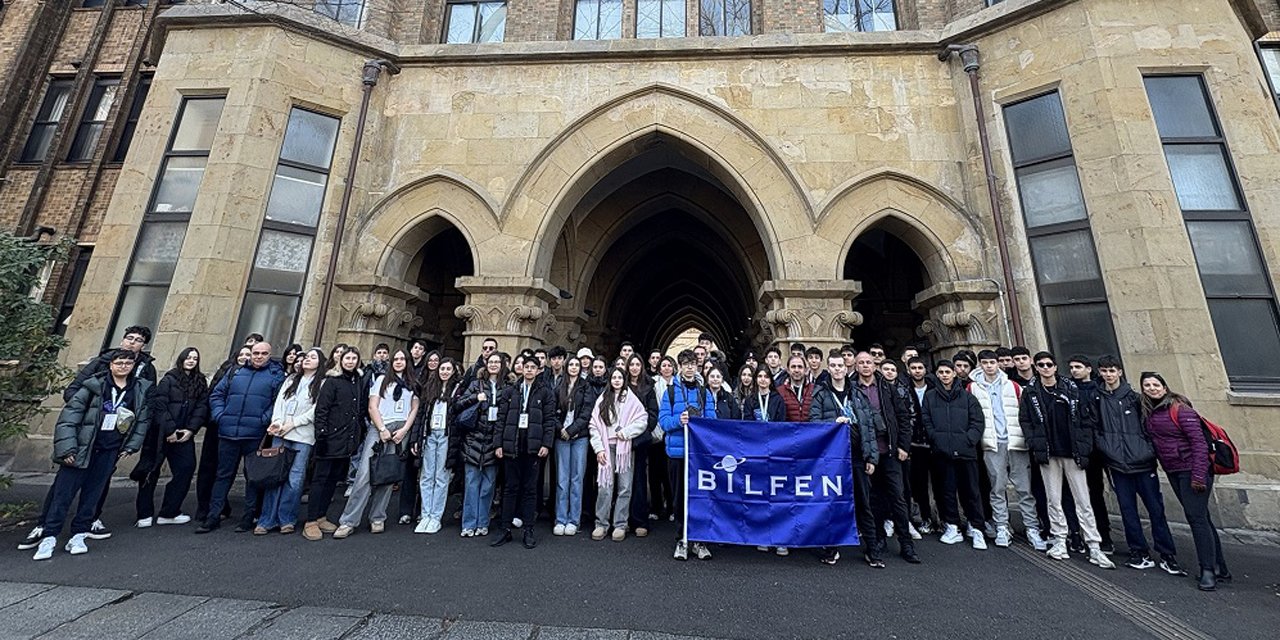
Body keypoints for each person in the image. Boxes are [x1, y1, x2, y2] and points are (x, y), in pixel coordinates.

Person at [33, 350, 152, 560]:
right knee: (63, 494)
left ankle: (79, 533)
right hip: (83, 447)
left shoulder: (138, 389)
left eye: (127, 363)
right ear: (110, 365)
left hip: (110, 449)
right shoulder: (93, 386)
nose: (123, 366)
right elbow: (69, 418)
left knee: (93, 495)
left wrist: (130, 446)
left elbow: (141, 420)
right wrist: (67, 448)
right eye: (119, 362)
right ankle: (50, 535)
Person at [1020, 352, 1114, 569]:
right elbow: (1025, 419)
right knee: (1054, 500)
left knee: (1084, 501)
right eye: (1041, 365)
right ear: (1036, 367)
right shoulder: (1031, 392)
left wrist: (1084, 446)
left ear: (1055, 367)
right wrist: (1034, 443)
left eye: (1049, 364)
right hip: (1048, 452)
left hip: (1072, 452)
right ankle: (1060, 540)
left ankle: (1094, 545)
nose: (1045, 368)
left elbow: (1085, 419)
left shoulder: (1071, 389)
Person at [1093, 357, 1184, 575]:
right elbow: (1096, 428)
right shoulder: (1098, 399)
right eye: (1104, 371)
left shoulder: (1136, 399)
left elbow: (1151, 427)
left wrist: (1147, 450)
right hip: (1117, 463)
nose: (1108, 375)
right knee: (1127, 510)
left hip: (1143, 463)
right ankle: (1138, 551)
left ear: (1120, 372)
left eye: (1112, 371)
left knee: (1156, 509)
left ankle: (1166, 554)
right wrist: (1106, 449)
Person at [1140, 372, 1228, 591]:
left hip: (1193, 471)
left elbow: (1199, 443)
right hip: (1174, 470)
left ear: (1165, 386)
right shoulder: (1150, 411)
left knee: (1196, 518)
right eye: (1147, 385)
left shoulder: (1181, 409)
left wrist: (1199, 475)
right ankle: (1220, 566)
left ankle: (1208, 570)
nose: (1152, 388)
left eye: (1156, 384)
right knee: (1202, 518)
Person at [198, 342, 286, 534]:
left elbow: (278, 402)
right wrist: (220, 416)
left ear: (270, 355)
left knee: (252, 478)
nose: (259, 356)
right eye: (256, 353)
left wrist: (263, 420)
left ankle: (248, 516)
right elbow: (217, 394)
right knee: (222, 476)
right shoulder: (234, 372)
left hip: (254, 434)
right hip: (228, 433)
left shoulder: (275, 376)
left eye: (263, 353)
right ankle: (213, 516)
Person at [334, 349, 418, 538]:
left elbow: (414, 409)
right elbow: (373, 406)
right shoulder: (381, 380)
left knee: (387, 475)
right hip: (381, 427)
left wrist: (404, 430)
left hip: (400, 430)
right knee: (364, 475)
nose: (398, 362)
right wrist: (381, 429)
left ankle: (378, 517)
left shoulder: (412, 384)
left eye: (402, 359)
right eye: (395, 359)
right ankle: (349, 520)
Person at [809, 350, 878, 566]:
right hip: (834, 459)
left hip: (857, 455)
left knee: (864, 504)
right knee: (833, 503)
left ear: (847, 368)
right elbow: (813, 422)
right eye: (834, 366)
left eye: (841, 365)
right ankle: (832, 548)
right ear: (828, 368)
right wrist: (832, 423)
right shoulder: (821, 394)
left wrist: (872, 458)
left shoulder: (858, 393)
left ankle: (872, 551)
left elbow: (869, 427)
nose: (838, 369)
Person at [969, 350, 1038, 549]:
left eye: (993, 362)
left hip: (1016, 441)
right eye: (985, 362)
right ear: (980, 365)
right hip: (991, 442)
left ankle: (1031, 526)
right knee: (997, 487)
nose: (990, 366)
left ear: (998, 363)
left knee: (1024, 488)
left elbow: (1025, 413)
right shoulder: (972, 388)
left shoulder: (1013, 386)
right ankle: (1001, 525)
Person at [133, 347, 208, 528]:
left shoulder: (200, 382)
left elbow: (202, 407)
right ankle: (144, 514)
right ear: (181, 359)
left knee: (186, 469)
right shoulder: (169, 379)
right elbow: (160, 405)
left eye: (195, 358)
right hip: (160, 434)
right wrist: (170, 430)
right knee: (150, 472)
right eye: (188, 357)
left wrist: (191, 429)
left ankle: (170, 511)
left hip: (184, 435)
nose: (191, 361)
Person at [491, 352, 556, 549]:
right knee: (510, 488)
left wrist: (546, 444)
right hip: (512, 446)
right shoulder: (511, 391)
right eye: (526, 367)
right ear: (522, 369)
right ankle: (505, 529)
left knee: (529, 490)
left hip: (533, 448)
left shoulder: (545, 392)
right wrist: (498, 444)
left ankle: (528, 529)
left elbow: (549, 420)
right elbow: (501, 419)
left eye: (532, 367)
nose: (528, 370)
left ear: (538, 370)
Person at [658, 349, 718, 561]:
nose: (690, 367)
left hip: (698, 454)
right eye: (685, 364)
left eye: (693, 363)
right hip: (677, 452)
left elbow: (713, 421)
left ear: (697, 366)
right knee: (679, 498)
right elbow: (663, 421)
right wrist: (678, 420)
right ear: (680, 367)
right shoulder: (671, 392)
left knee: (699, 497)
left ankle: (699, 540)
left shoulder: (704, 392)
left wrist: (700, 420)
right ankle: (682, 539)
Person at [256, 348, 322, 535]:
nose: (307, 359)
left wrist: (292, 424)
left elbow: (315, 411)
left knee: (295, 479)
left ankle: (287, 518)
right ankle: (267, 519)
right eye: (307, 357)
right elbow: (279, 403)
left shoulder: (321, 383)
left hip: (302, 436)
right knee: (275, 477)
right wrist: (277, 422)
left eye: (313, 357)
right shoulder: (291, 379)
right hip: (281, 434)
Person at [922, 360, 986, 551]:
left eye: (947, 372)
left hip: (966, 452)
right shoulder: (931, 396)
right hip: (942, 451)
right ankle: (952, 526)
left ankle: (976, 527)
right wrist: (935, 439)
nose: (944, 375)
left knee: (971, 492)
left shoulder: (968, 397)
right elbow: (926, 419)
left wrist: (969, 439)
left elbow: (977, 421)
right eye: (941, 372)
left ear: (954, 374)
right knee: (946, 491)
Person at [301, 348, 363, 541]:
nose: (350, 362)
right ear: (340, 361)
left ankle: (321, 516)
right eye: (347, 358)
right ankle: (310, 520)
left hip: (346, 440)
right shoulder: (332, 381)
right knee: (320, 479)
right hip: (329, 438)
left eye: (354, 358)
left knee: (332, 480)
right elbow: (322, 410)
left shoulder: (357, 381)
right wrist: (321, 435)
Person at [193, 344, 250, 526]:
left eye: (249, 354)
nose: (245, 357)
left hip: (245, 429)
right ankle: (206, 509)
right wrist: (220, 416)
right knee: (211, 469)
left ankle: (222, 506)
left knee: (227, 471)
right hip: (218, 427)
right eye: (242, 354)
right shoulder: (228, 371)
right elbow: (214, 395)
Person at [590, 368, 649, 542]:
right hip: (607, 447)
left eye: (619, 377)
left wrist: (626, 432)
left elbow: (642, 419)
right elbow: (594, 425)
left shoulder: (632, 399)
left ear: (624, 380)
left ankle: (620, 524)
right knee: (605, 487)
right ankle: (601, 524)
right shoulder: (602, 399)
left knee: (625, 487)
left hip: (624, 448)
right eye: (614, 377)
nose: (616, 380)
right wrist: (598, 448)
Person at [1066, 354, 1114, 554]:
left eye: (1078, 367)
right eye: (1071, 367)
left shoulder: (1099, 390)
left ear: (1088, 369)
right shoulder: (1068, 389)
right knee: (1076, 493)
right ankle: (1078, 533)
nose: (1074, 370)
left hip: (1097, 448)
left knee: (1095, 492)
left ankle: (1103, 534)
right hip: (1076, 447)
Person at [456, 352, 506, 537]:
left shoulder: (506, 386)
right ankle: (468, 523)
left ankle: (483, 522)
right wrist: (475, 398)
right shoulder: (475, 384)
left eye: (497, 362)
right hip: (474, 440)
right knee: (471, 484)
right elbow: (458, 405)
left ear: (502, 365)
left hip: (494, 441)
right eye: (490, 362)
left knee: (488, 486)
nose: (493, 365)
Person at [411, 357, 462, 534]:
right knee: (426, 476)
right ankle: (425, 514)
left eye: (448, 369)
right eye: (442, 369)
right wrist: (415, 439)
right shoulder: (429, 388)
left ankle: (436, 516)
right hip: (430, 434)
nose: (445, 372)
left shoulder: (457, 389)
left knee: (441, 477)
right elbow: (421, 415)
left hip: (446, 436)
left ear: (453, 371)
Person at [552, 358, 591, 536]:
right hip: (561, 436)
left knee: (576, 479)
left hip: (579, 437)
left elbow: (587, 412)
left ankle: (574, 520)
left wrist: (573, 429)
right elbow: (551, 411)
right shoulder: (559, 385)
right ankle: (560, 519)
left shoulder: (585, 386)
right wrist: (562, 430)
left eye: (577, 365)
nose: (574, 367)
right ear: (567, 367)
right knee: (562, 479)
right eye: (572, 365)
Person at [624, 354, 659, 537]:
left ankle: (639, 519)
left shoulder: (648, 387)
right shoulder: (621, 385)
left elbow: (653, 413)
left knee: (638, 479)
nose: (635, 368)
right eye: (632, 364)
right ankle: (623, 519)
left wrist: (643, 432)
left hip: (641, 440)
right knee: (622, 481)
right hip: (622, 440)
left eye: (638, 364)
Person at [904, 357, 940, 535]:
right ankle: (925, 518)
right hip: (915, 443)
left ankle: (942, 520)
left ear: (925, 370)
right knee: (919, 485)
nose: (917, 371)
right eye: (913, 368)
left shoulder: (935, 389)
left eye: (920, 367)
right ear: (908, 370)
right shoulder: (905, 390)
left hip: (935, 442)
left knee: (940, 484)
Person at [777, 355, 815, 423]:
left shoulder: (814, 390)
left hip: (810, 431)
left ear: (805, 370)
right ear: (788, 370)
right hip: (789, 431)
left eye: (800, 367)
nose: (796, 370)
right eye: (793, 367)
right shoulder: (779, 391)